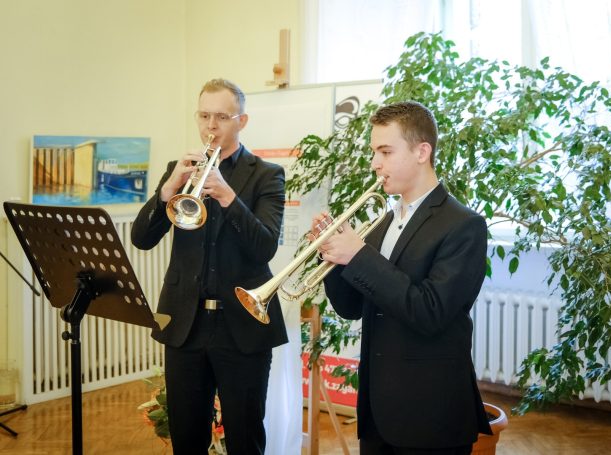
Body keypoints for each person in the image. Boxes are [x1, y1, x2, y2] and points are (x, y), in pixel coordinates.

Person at [310, 101, 492, 454]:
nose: (374, 163)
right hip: (378, 410)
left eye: (385, 151)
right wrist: (332, 255)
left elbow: (430, 312)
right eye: (374, 152)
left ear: (422, 152)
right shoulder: (383, 221)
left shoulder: (464, 225)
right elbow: (351, 308)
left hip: (430, 412)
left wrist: (357, 256)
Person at [132, 78, 288, 454]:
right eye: (204, 116)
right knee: (186, 436)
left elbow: (265, 247)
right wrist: (168, 189)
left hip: (241, 325)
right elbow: (141, 238)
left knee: (245, 436)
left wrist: (229, 196)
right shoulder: (179, 170)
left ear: (242, 121)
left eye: (221, 117)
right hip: (185, 324)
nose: (210, 126)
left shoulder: (267, 174)